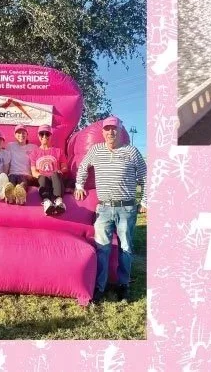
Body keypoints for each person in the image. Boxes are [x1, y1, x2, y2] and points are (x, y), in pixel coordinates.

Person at [74, 117, 147, 304]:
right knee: (102, 248)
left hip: (126, 208)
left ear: (120, 131)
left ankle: (123, 286)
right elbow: (83, 166)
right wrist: (79, 185)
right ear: (103, 132)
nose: (110, 132)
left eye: (114, 129)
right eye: (107, 129)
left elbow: (146, 176)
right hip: (104, 208)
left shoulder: (131, 152)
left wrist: (145, 201)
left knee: (126, 248)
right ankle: (100, 286)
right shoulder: (96, 150)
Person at [30, 126, 68, 215]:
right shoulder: (34, 153)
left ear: (51, 135)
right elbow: (33, 171)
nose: (44, 136)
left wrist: (61, 171)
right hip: (43, 179)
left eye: (47, 134)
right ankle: (46, 202)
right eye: (41, 134)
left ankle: (58, 201)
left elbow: (65, 167)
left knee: (55, 175)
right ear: (38, 136)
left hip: (55, 178)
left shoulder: (58, 151)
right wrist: (39, 175)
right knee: (42, 178)